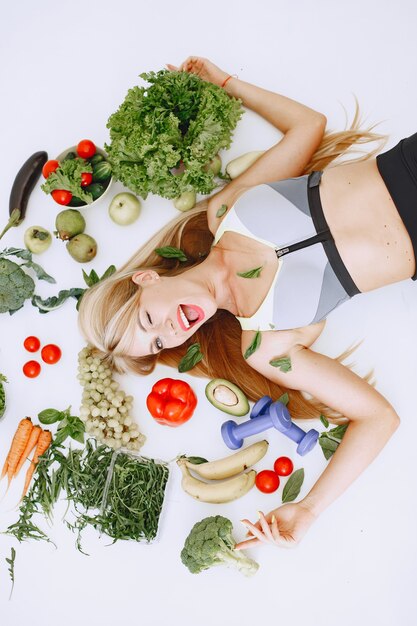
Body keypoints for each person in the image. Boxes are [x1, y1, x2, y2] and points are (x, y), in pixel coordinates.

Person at [78, 56, 416, 550]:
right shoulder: (267, 345)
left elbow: (308, 126)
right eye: (156, 342)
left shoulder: (225, 210)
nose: (169, 333)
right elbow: (378, 417)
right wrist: (308, 508)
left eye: (150, 318)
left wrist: (226, 83)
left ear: (148, 278)